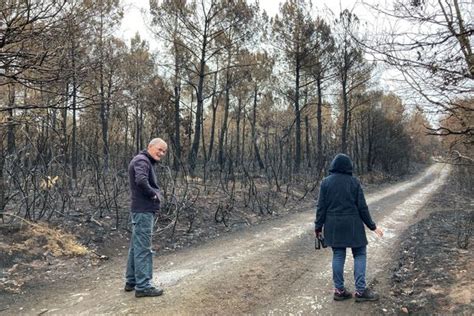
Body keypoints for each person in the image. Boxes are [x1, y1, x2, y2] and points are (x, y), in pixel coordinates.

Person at [315, 153, 383, 302]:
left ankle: (339, 291)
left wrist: (318, 228)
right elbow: (362, 207)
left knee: (338, 255)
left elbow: (321, 208)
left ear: (333, 166)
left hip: (333, 225)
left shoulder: (325, 183)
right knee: (359, 253)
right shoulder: (354, 182)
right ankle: (360, 291)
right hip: (353, 225)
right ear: (348, 167)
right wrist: (372, 226)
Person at [124, 138, 168, 298]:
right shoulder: (142, 160)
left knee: (136, 247)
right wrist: (154, 195)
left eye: (164, 151)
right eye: (159, 149)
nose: (162, 153)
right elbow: (141, 180)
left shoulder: (142, 160)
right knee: (143, 248)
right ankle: (143, 286)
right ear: (150, 146)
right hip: (143, 211)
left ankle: (131, 281)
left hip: (140, 210)